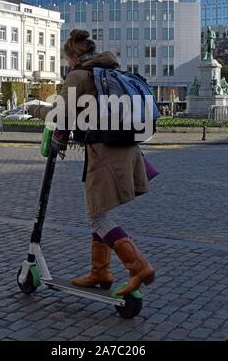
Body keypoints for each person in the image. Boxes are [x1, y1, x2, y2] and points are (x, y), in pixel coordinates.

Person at [32, 30, 155, 296]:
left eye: (66, 59)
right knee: (99, 212)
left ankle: (139, 266)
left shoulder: (78, 76)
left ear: (73, 56)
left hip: (104, 153)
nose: (66, 64)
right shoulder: (110, 73)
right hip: (127, 150)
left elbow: (58, 114)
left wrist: (33, 108)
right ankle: (100, 271)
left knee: (96, 217)